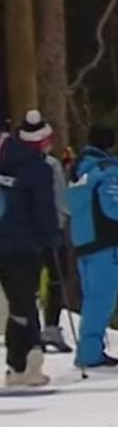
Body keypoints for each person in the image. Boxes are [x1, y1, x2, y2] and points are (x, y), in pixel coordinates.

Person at [68, 123, 118, 367]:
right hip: (105, 241)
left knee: (92, 296)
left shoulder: (79, 169)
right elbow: (113, 208)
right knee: (102, 297)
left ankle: (90, 348)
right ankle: (90, 352)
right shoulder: (107, 170)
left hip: (83, 241)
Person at [0, 111, 60, 386]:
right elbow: (45, 210)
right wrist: (53, 239)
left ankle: (19, 363)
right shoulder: (39, 169)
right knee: (25, 303)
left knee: (18, 303)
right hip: (24, 245)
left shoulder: (5, 161)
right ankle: (24, 362)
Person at [35, 112, 73, 353]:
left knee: (31, 281)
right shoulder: (50, 165)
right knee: (58, 277)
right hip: (49, 230)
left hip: (23, 233)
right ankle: (50, 326)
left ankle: (31, 328)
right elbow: (61, 198)